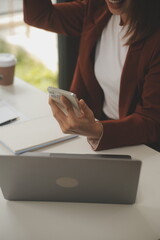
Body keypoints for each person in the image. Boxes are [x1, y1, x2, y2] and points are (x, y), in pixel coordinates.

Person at [23, 0, 160, 151]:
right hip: (98, 134)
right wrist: (93, 129)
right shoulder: (98, 9)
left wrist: (96, 130)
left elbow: (152, 121)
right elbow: (39, 14)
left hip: (142, 146)